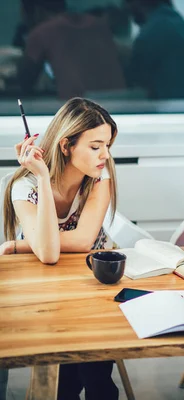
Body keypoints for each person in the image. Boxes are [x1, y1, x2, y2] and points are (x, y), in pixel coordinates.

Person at [1, 97, 119, 400]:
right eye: (95, 147)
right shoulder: (24, 186)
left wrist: (21, 246)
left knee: (95, 374)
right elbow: (50, 256)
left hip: (94, 280)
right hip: (47, 287)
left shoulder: (99, 177)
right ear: (66, 145)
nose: (105, 155)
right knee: (67, 373)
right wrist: (42, 177)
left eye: (107, 145)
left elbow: (82, 242)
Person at [17, 0, 126, 99]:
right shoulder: (99, 25)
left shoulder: (42, 32)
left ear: (36, 11)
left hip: (81, 110)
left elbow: (25, 81)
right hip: (123, 103)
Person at [125, 0, 184, 99]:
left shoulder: (152, 31)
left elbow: (132, 78)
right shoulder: (174, 19)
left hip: (173, 106)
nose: (126, 8)